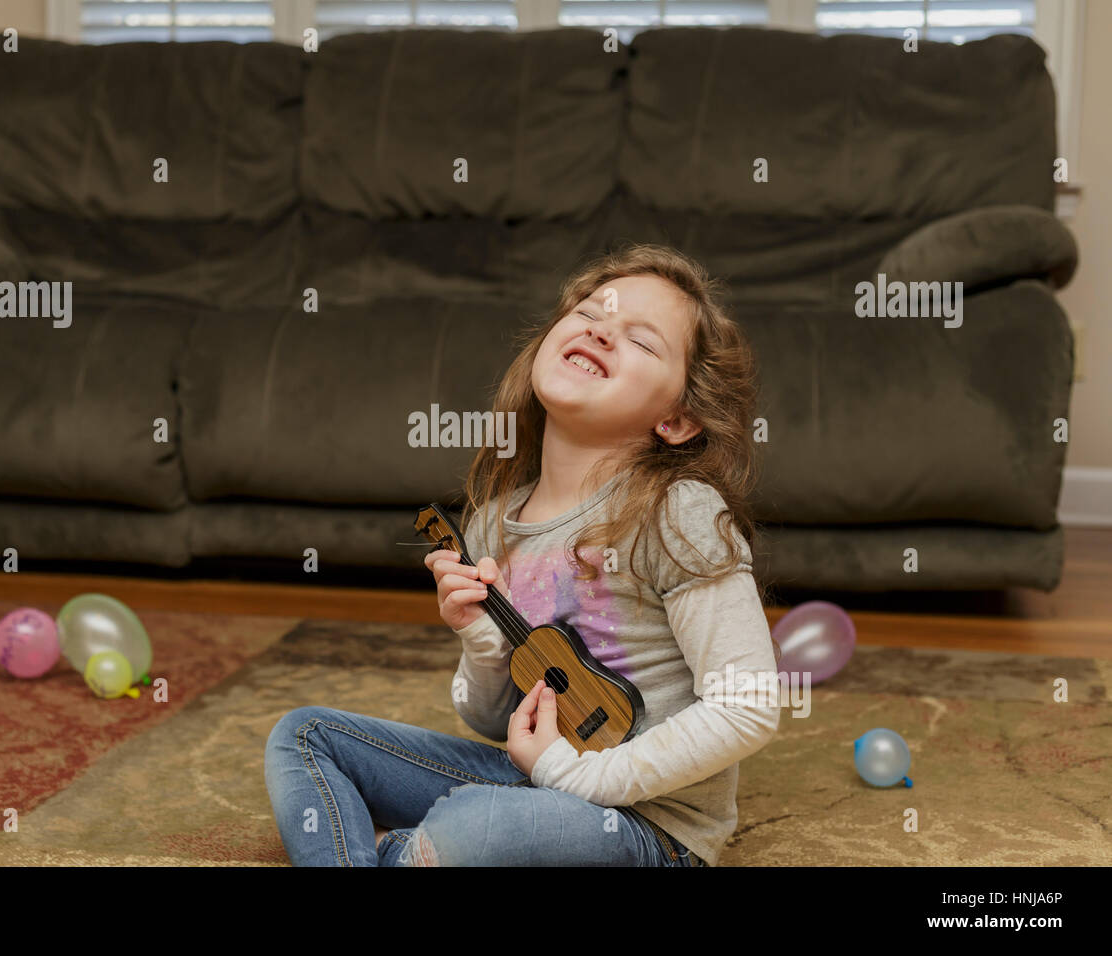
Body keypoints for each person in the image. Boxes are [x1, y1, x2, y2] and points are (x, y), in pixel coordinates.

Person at [264, 241, 782, 866]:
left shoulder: (677, 510)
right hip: (536, 785)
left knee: (472, 827)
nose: (604, 332)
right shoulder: (490, 527)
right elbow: (496, 725)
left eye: (643, 341)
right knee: (305, 736)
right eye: (590, 313)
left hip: (649, 829)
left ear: (676, 418)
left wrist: (586, 780)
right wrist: (482, 646)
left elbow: (747, 707)